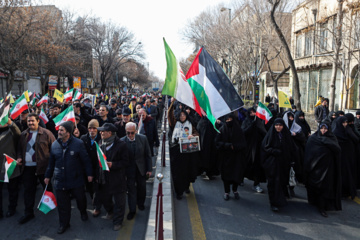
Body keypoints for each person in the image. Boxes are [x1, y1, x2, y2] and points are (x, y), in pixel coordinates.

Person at [44, 121, 93, 234]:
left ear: (68, 133)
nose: (59, 132)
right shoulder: (55, 145)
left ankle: (83, 212)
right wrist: (48, 176)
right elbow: (51, 163)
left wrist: (89, 174)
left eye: (61, 130)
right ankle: (64, 224)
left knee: (80, 199)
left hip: (76, 179)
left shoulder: (78, 144)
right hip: (60, 181)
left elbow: (86, 161)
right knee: (62, 205)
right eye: (59, 130)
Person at [16, 113, 56, 224]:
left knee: (47, 188)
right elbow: (19, 149)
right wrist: (19, 158)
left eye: (32, 121)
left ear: (38, 121)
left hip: (43, 168)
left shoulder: (47, 133)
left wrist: (52, 166)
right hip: (28, 168)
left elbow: (55, 150)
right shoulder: (23, 134)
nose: (30, 123)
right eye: (29, 121)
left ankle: (50, 205)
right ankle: (28, 213)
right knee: (28, 191)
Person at [96, 123, 129, 231]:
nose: (100, 133)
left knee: (119, 202)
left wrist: (113, 165)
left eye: (103, 131)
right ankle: (110, 212)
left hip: (117, 178)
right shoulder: (101, 143)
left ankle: (118, 221)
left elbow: (125, 162)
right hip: (104, 178)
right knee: (105, 198)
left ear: (110, 133)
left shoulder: (121, 145)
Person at [304, 122, 342, 217]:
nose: (323, 130)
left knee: (325, 187)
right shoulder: (313, 138)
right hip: (315, 168)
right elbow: (308, 153)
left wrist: (326, 142)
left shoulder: (332, 138)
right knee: (314, 186)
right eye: (322, 128)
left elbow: (337, 150)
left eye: (325, 129)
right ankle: (314, 201)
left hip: (328, 168)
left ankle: (322, 207)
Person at [261, 118, 298, 212]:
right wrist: (274, 151)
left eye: (280, 125)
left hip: (283, 163)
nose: (278, 127)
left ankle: (280, 199)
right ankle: (273, 202)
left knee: (281, 182)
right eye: (276, 125)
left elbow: (291, 148)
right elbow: (265, 148)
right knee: (273, 183)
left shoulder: (286, 135)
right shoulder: (270, 135)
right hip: (272, 164)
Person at [168, 100, 199, 200]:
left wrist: (192, 135)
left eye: (183, 115)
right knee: (178, 172)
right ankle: (179, 192)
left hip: (187, 153)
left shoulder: (190, 124)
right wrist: (172, 103)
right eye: (180, 115)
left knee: (187, 171)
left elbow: (197, 134)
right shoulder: (175, 123)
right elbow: (169, 114)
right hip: (177, 152)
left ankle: (186, 187)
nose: (182, 116)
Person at [121, 122, 152, 220]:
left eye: (132, 133)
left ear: (136, 131)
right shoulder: (122, 141)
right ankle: (132, 210)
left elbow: (148, 155)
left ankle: (141, 203)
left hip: (141, 169)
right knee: (131, 191)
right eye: (128, 133)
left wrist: (149, 169)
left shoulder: (143, 139)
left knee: (142, 187)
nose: (130, 135)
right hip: (129, 171)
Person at [216, 113, 247, 200]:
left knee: (236, 174)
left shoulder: (239, 130)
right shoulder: (222, 129)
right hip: (225, 157)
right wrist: (227, 145)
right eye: (227, 120)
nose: (229, 121)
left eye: (230, 120)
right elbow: (217, 142)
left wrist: (235, 146)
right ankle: (227, 192)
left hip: (237, 157)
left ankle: (235, 190)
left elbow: (244, 144)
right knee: (226, 175)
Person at [241, 108, 267, 193]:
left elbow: (264, 133)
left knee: (257, 167)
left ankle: (256, 184)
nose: (252, 114)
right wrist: (251, 126)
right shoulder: (246, 121)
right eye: (250, 113)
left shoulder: (259, 122)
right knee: (245, 164)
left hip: (258, 149)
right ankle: (240, 179)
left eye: (254, 113)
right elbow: (243, 132)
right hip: (248, 148)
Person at [0, 118, 21, 219]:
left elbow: (18, 133)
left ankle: (12, 209)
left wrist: (10, 123)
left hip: (10, 165)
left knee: (12, 190)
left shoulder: (11, 132)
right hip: (0, 167)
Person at [332, 116, 357, 199]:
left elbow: (355, 141)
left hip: (348, 160)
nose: (345, 124)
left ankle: (347, 192)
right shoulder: (335, 134)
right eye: (343, 123)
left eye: (346, 122)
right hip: (339, 160)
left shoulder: (348, 132)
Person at [80, 119, 101, 210]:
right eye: (90, 128)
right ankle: (93, 198)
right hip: (86, 167)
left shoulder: (101, 138)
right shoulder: (83, 138)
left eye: (94, 128)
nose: (92, 130)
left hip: (98, 167)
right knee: (89, 186)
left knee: (97, 187)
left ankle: (97, 206)